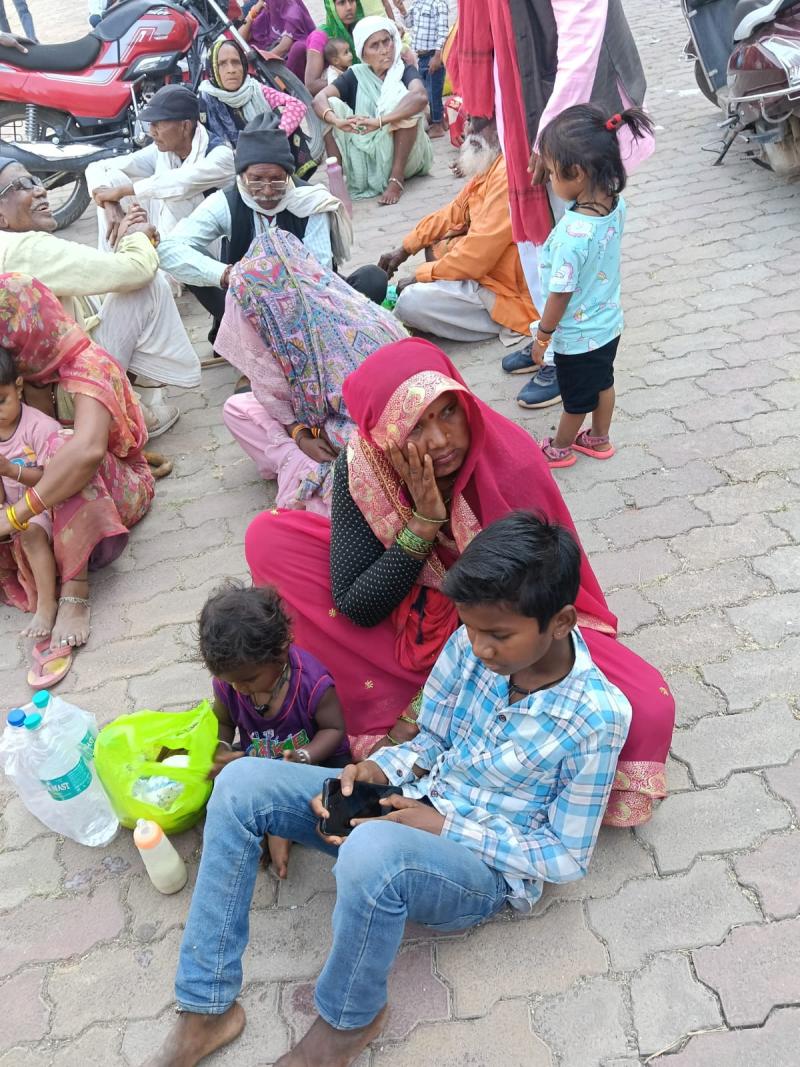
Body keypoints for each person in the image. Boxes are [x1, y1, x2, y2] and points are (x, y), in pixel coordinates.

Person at [144, 512, 632, 1067]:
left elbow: (566, 856)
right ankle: (207, 1007)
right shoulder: (469, 643)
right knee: (238, 783)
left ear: (561, 621)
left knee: (375, 852)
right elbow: (433, 740)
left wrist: (444, 827)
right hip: (411, 802)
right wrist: (378, 770)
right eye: (472, 629)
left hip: (482, 870)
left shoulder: (597, 718)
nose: (479, 647)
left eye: (498, 636)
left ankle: (349, 1020)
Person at [244, 338, 674, 825]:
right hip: (408, 609)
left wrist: (417, 712)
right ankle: (428, 717)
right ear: (384, 434)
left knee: (646, 708)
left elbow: (524, 600)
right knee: (269, 539)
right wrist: (424, 523)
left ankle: (437, 716)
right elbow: (357, 604)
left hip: (497, 626)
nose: (440, 440)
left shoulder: (509, 460)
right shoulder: (364, 467)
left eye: (448, 412)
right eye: (415, 426)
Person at [453, 0, 654, 410]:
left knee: (569, 248)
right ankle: (549, 343)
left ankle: (569, 360)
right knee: (540, 238)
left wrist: (548, 136)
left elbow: (582, 34)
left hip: (566, 110)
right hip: (520, 93)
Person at [0, 275, 155, 652]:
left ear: (29, 328)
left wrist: (16, 514)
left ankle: (75, 590)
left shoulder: (89, 365)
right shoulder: (23, 376)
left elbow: (87, 452)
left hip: (114, 490)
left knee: (68, 449)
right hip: (40, 497)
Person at [0, 157, 200, 436]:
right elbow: (137, 270)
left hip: (22, 405)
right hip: (62, 399)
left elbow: (98, 272)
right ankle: (129, 413)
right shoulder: (23, 248)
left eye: (36, 181)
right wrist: (138, 236)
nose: (41, 190)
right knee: (148, 284)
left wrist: (124, 238)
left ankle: (125, 397)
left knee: (94, 290)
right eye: (22, 185)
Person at [215, 227, 406, 511]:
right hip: (417, 415)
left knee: (240, 410)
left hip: (375, 445)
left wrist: (301, 436)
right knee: (239, 405)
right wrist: (300, 434)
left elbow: (276, 394)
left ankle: (303, 470)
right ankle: (298, 459)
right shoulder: (352, 306)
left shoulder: (289, 337)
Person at [158, 113, 387, 341]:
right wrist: (227, 274)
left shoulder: (311, 201)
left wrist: (275, 289)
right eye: (256, 180)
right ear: (242, 176)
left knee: (372, 279)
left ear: (288, 175)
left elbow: (319, 276)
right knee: (190, 262)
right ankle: (243, 337)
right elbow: (168, 249)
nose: (267, 190)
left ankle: (309, 339)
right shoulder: (226, 202)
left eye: (277, 179)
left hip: (307, 305)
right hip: (246, 309)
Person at [532, 105, 653, 465]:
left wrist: (543, 336)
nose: (550, 180)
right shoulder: (616, 206)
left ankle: (560, 447)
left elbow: (561, 294)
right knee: (603, 382)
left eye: (552, 172)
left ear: (578, 173)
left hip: (577, 336)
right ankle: (599, 439)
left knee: (576, 398)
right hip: (608, 324)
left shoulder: (572, 235)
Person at [379, 116, 537, 344]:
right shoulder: (491, 165)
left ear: (500, 125)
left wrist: (420, 276)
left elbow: (477, 256)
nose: (468, 129)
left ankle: (497, 319)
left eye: (476, 121)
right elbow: (452, 212)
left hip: (508, 292)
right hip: (486, 274)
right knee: (435, 246)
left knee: (410, 302)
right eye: (468, 120)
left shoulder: (506, 172)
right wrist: (405, 249)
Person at [200, 581, 350, 771]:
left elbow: (334, 729)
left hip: (317, 763)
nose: (238, 688)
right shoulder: (228, 684)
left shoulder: (312, 684)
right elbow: (223, 722)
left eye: (250, 680)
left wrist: (304, 756)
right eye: (231, 681)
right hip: (263, 760)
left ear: (281, 650)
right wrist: (221, 748)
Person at [86, 85, 236, 248]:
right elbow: (97, 167)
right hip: (162, 229)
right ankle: (114, 260)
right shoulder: (163, 150)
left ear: (185, 126)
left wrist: (122, 191)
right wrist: (111, 204)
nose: (152, 132)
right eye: (150, 125)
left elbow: (180, 184)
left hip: (205, 247)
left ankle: (159, 257)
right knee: (112, 179)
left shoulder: (221, 156)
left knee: (175, 195)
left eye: (157, 124)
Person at [313, 16, 432, 205]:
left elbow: (420, 97)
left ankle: (396, 179)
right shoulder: (356, 74)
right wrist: (337, 121)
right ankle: (337, 181)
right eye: (374, 46)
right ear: (363, 53)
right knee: (329, 107)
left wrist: (379, 122)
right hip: (370, 156)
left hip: (407, 157)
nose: (384, 50)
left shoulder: (403, 70)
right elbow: (319, 99)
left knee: (403, 101)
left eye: (387, 41)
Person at [0, 347, 60, 639]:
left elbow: (54, 478)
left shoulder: (39, 427)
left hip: (43, 506)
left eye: (1, 401)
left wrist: (12, 470)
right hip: (9, 509)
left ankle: (47, 605)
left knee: (31, 534)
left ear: (19, 386)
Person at [198, 37, 314, 177]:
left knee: (286, 121)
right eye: (222, 64)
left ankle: (289, 179)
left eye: (236, 62)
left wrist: (276, 135)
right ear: (212, 69)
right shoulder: (204, 100)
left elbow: (296, 105)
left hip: (267, 153)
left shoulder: (254, 88)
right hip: (231, 165)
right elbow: (203, 142)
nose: (231, 70)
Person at [405, 0, 449, 139]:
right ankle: (441, 121)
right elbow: (409, 23)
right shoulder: (417, 3)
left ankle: (437, 126)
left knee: (433, 94)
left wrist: (437, 56)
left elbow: (443, 33)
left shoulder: (438, 4)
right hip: (422, 57)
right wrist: (401, 10)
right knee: (427, 91)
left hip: (432, 56)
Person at [239, 0, 316, 79]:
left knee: (299, 48)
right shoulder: (267, 8)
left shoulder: (291, 9)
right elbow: (239, 38)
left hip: (282, 60)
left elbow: (284, 47)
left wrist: (260, 64)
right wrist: (253, 12)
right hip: (267, 56)